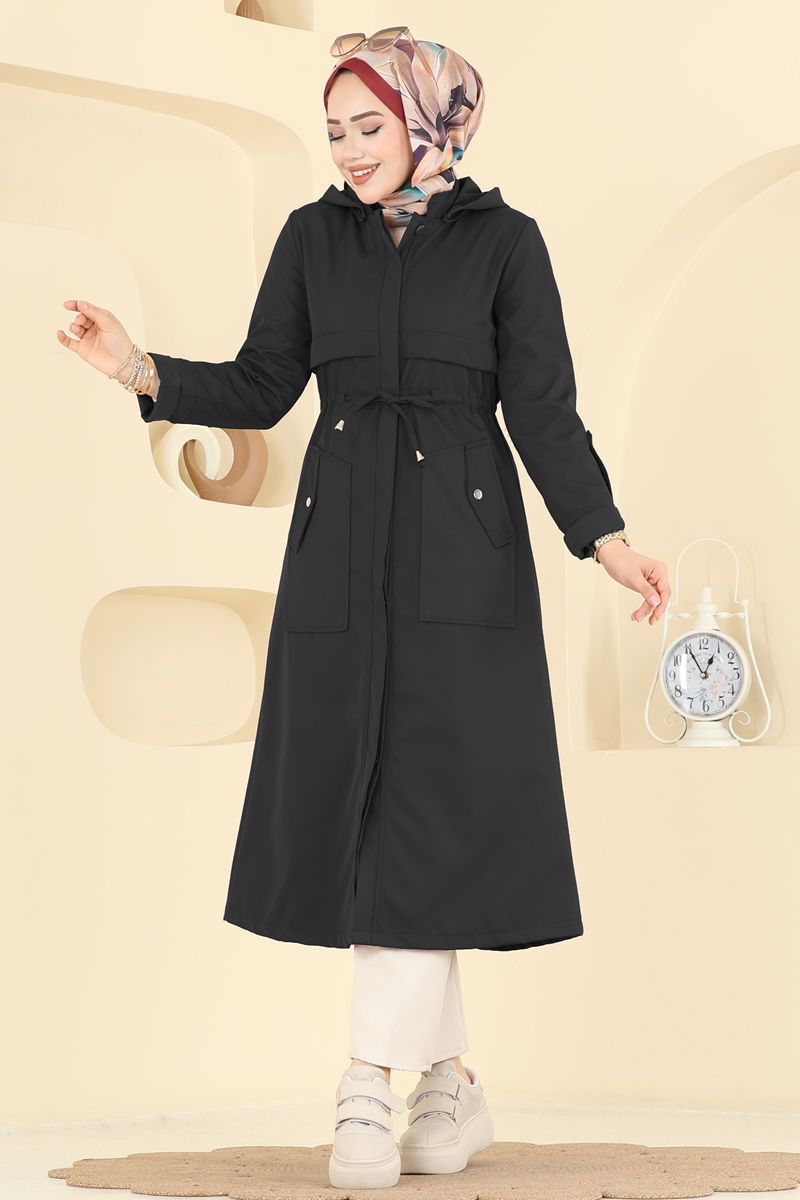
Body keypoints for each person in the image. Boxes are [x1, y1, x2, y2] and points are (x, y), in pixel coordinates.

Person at [57, 26, 671, 1192]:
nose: (346, 149)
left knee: (425, 813)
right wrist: (138, 368)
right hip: (339, 553)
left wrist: (605, 540)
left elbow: (541, 410)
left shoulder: (504, 244)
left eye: (369, 125)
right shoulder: (310, 237)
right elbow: (261, 385)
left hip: (464, 560)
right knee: (382, 812)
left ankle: (365, 1086)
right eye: (334, 129)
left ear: (431, 122)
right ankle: (447, 1083)